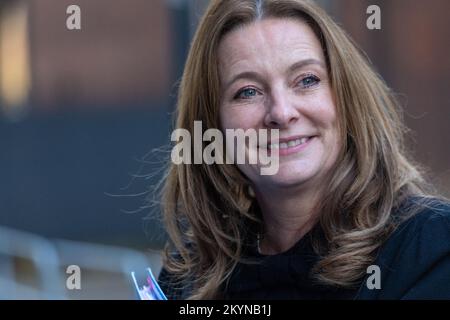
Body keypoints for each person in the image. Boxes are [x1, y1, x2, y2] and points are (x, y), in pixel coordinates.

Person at [155, 0, 450, 299]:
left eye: (306, 80)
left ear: (345, 97)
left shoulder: (430, 247)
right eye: (248, 91)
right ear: (212, 124)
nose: (281, 113)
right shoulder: (189, 275)